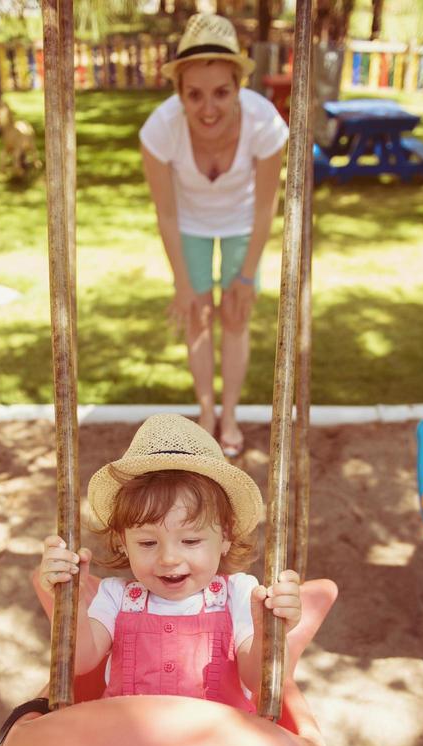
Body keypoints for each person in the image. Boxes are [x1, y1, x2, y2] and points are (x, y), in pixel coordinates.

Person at [38, 413, 301, 709]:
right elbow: (80, 661)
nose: (169, 558)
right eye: (148, 543)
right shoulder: (116, 597)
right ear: (122, 543)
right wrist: (69, 603)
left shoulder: (239, 595)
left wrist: (270, 633)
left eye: (190, 541)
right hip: (126, 740)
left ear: (225, 537)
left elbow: (259, 681)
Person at [139, 14, 289, 457]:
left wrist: (245, 276)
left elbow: (266, 206)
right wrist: (183, 284)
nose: (208, 108)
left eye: (221, 92)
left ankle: (231, 413)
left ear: (239, 87)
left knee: (237, 316)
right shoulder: (159, 130)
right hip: (189, 224)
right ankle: (206, 413)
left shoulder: (265, 125)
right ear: (179, 94)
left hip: (244, 222)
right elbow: (165, 214)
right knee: (198, 316)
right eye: (195, 95)